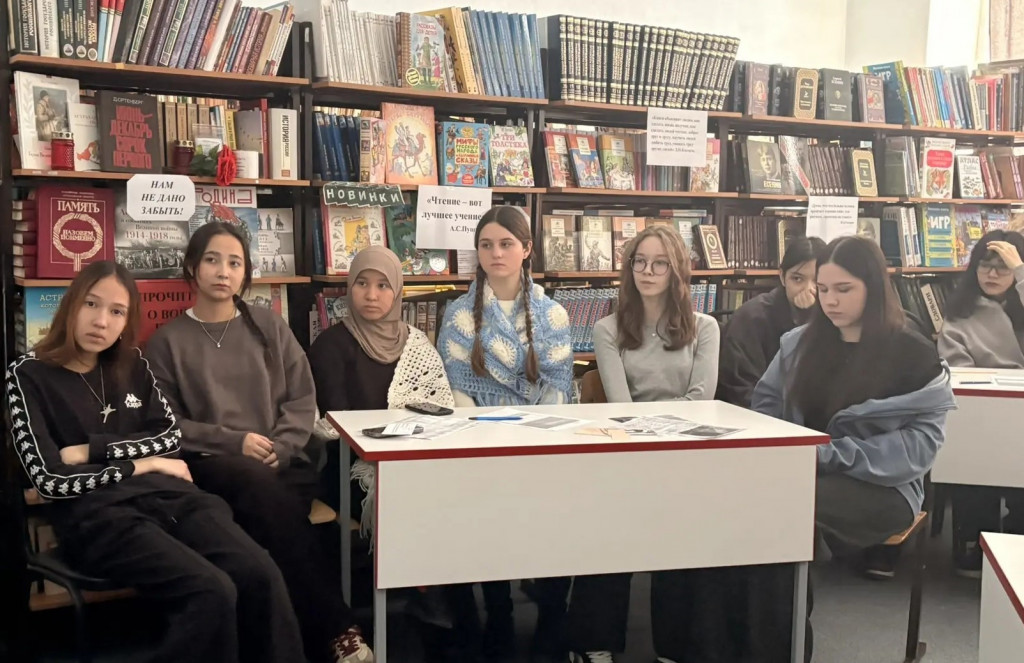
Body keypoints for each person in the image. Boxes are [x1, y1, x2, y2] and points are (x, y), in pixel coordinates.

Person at [7, 261, 303, 663]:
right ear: (71, 305)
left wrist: (91, 451)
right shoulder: (27, 375)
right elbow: (49, 479)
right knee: (211, 590)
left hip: (173, 497)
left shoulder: (133, 364)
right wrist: (144, 464)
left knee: (260, 572)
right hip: (100, 516)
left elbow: (169, 436)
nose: (101, 321)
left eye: (116, 311)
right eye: (91, 304)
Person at [145, 222, 372, 663]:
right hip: (213, 467)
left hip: (282, 464)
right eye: (212, 260)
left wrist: (281, 447)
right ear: (192, 267)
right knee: (261, 494)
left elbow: (302, 398)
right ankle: (338, 629)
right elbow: (168, 424)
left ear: (245, 273)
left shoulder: (268, 325)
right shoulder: (167, 342)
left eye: (234, 263)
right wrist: (236, 443)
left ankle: (284, 642)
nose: (222, 271)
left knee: (270, 513)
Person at [564, 225, 721, 663]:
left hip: (685, 456)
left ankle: (675, 646)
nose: (647, 272)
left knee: (686, 532)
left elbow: (701, 403)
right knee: (609, 522)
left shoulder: (705, 328)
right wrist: (658, 425)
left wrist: (662, 427)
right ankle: (594, 642)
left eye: (659, 264)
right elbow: (622, 408)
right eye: (640, 262)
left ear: (677, 271)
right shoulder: (608, 328)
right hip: (627, 453)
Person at [753, 235, 955, 563]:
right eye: (823, 289)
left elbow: (920, 447)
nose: (830, 301)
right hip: (802, 470)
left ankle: (793, 592)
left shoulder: (914, 356)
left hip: (884, 487)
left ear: (873, 289)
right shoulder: (798, 345)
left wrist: (827, 455)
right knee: (753, 498)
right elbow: (766, 407)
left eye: (843, 289)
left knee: (786, 501)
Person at [437, 206, 574, 660]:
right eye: (486, 245)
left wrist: (530, 442)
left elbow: (556, 390)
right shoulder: (459, 315)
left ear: (527, 249)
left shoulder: (553, 315)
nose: (495, 253)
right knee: (483, 515)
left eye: (506, 244)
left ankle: (553, 617)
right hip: (481, 444)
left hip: (541, 444)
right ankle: (499, 613)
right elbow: (458, 391)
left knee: (558, 514)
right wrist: (490, 442)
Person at [938, 230, 1024, 576]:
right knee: (975, 449)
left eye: (1003, 267)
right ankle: (975, 539)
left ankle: (1016, 537)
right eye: (984, 265)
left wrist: (1022, 274)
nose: (991, 274)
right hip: (984, 410)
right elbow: (955, 368)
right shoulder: (962, 312)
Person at [717, 237, 826, 407]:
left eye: (817, 282)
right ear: (782, 277)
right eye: (797, 279)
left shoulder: (835, 317)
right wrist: (805, 320)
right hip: (759, 413)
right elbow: (741, 390)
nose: (808, 289)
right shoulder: (752, 317)